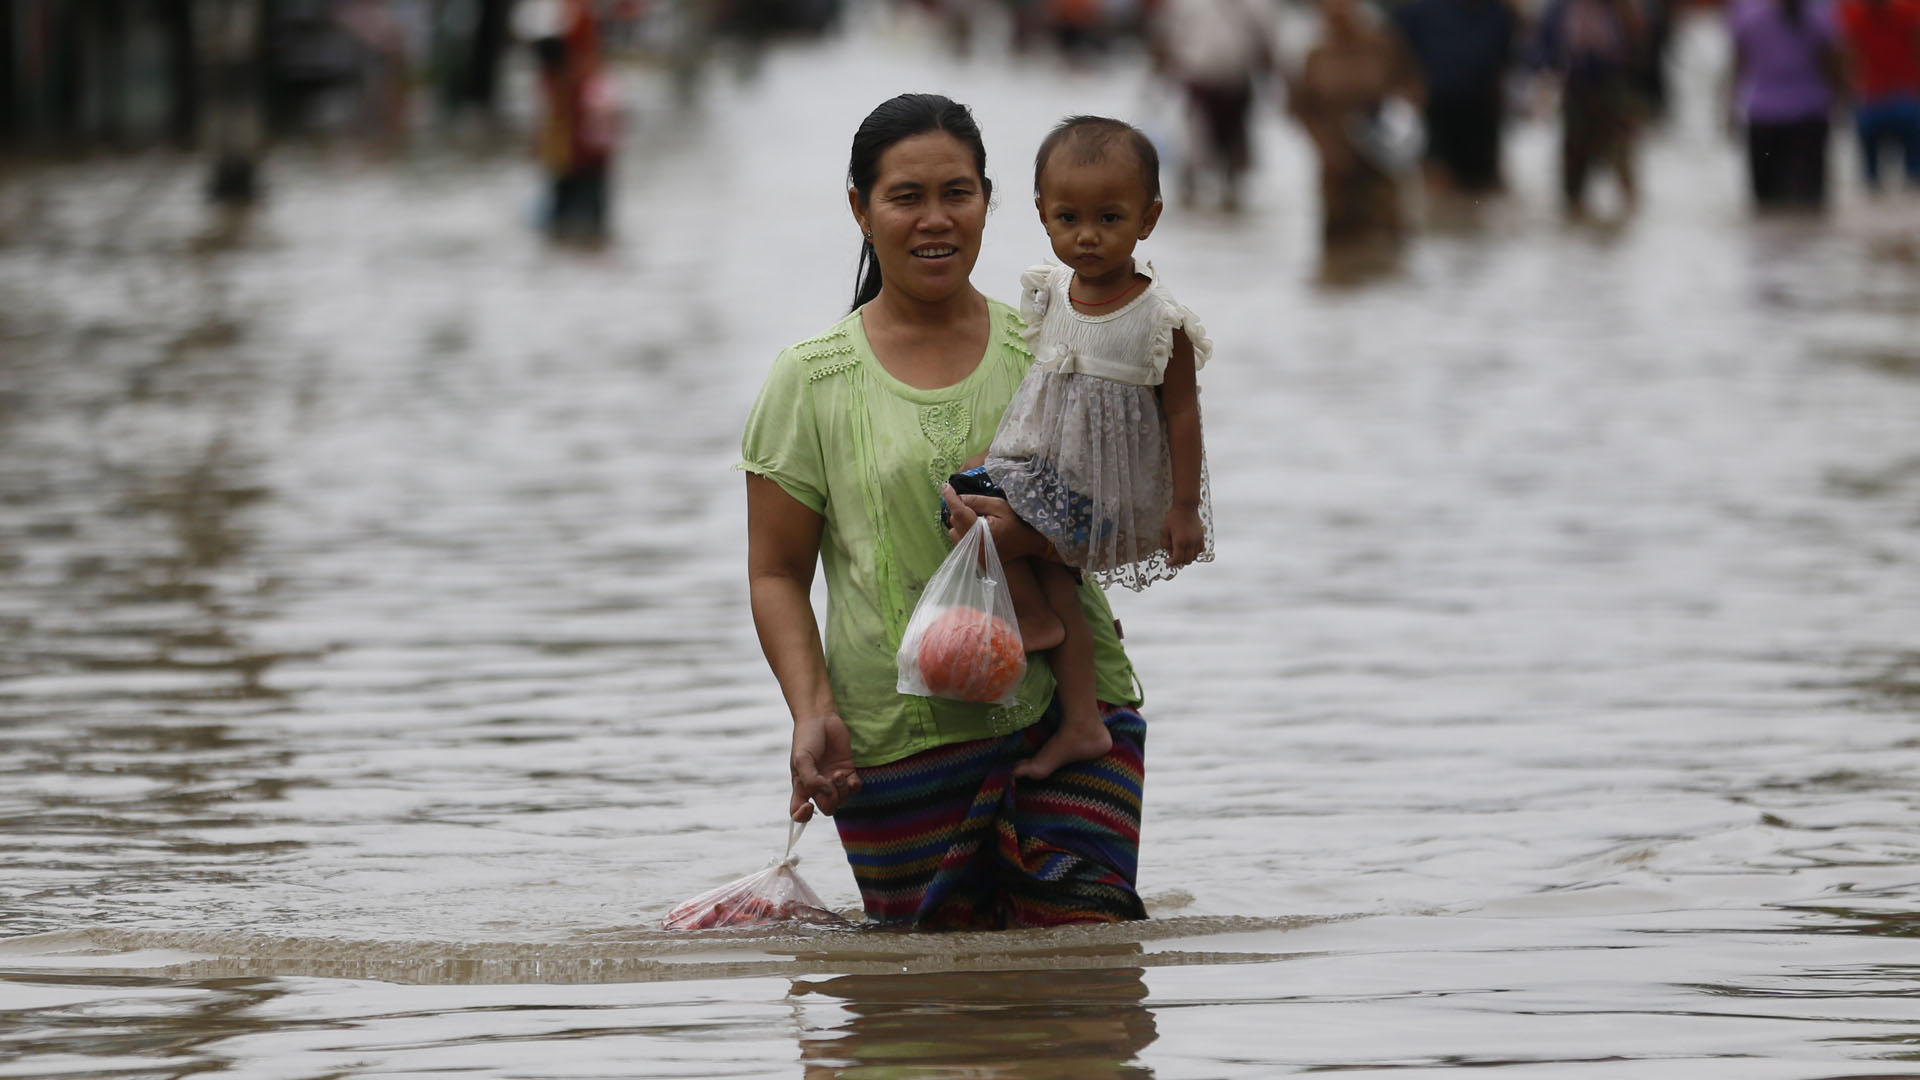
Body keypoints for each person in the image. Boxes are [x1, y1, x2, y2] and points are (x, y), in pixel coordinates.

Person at [740, 93, 1150, 930]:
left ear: (990, 203)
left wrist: (1030, 535)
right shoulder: (808, 381)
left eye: (957, 194)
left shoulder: (1052, 347)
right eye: (906, 197)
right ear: (860, 208)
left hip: (1071, 713)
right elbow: (776, 571)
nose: (936, 220)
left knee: (1087, 992)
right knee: (927, 1017)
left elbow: (1128, 517)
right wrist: (811, 711)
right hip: (897, 741)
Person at [945, 116, 1212, 784]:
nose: (1086, 235)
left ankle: (1044, 636)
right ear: (1041, 215)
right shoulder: (1052, 290)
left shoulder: (1159, 320)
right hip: (1045, 468)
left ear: (1148, 219)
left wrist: (1183, 510)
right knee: (955, 496)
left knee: (1007, 537)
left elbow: (1182, 413)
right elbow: (1045, 388)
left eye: (1109, 217)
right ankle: (1082, 718)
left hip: (1105, 491)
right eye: (1068, 217)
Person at [1289, 0, 1424, 270]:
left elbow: (1412, 87)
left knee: (1390, 249)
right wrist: (1324, 147)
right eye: (1330, 12)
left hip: (1382, 167)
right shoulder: (1316, 56)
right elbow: (1300, 110)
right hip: (1337, 170)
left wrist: (1399, 123)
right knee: (1338, 252)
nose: (1337, 16)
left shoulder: (1382, 47)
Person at [1151, 0, 1280, 210]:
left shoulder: (1259, 4)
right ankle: (1190, 200)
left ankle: (1229, 200)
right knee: (1193, 146)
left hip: (1237, 82)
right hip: (1200, 80)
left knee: (1233, 148)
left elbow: (1267, 42)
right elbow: (1165, 36)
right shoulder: (1183, 4)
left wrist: (1272, 82)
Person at [1390, 0, 1519, 196]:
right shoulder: (1421, 10)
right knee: (1438, 183)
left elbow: (1510, 59)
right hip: (1435, 110)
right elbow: (1395, 46)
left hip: (1482, 113)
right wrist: (1407, 87)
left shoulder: (1499, 12)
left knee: (1481, 189)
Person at [1534, 0, 1645, 216]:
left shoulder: (1620, 7)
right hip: (1575, 91)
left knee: (1622, 167)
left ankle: (1630, 223)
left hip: (1614, 93)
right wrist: (1542, 96)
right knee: (1573, 175)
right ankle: (1574, 224)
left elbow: (1642, 43)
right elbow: (1544, 54)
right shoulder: (1560, 8)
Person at [1730, 0, 1844, 210]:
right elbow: (1833, 65)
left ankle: (1770, 243)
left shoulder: (1747, 13)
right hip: (1810, 116)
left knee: (1766, 204)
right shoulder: (1818, 15)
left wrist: (1731, 107)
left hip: (1763, 116)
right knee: (1811, 201)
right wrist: (1841, 102)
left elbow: (1738, 64)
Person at [1836, 0, 1920, 190]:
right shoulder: (1910, 10)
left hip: (1870, 103)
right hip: (1907, 101)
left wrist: (1844, 96)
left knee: (1871, 181)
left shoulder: (1851, 15)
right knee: (1915, 178)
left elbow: (1844, 58)